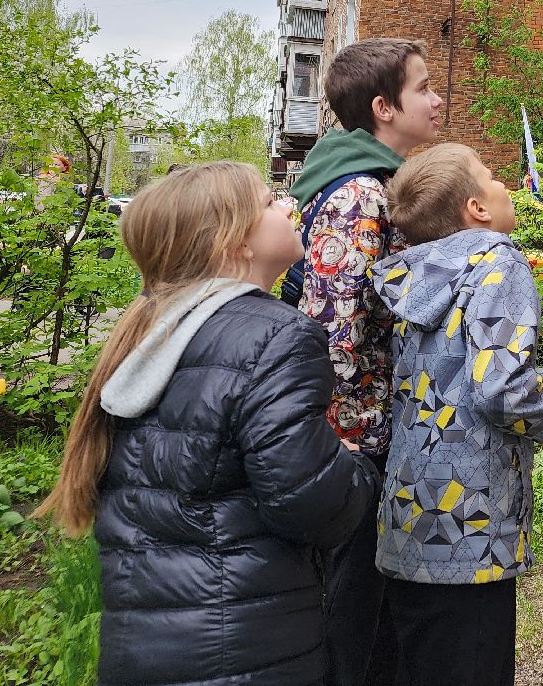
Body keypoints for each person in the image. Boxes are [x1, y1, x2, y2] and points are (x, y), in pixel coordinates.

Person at [36, 162, 379, 686]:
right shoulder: (277, 335)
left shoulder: (154, 330)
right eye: (269, 201)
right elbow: (309, 505)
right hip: (244, 644)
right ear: (235, 242)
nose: (289, 207)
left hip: (150, 644)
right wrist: (357, 469)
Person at [371, 143, 543, 686]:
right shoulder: (498, 261)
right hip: (471, 529)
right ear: (476, 208)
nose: (504, 183)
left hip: (409, 522)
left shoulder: (416, 277)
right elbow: (502, 392)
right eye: (492, 176)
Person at [287, 36, 442, 686]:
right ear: (383, 107)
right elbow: (333, 333)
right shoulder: (360, 196)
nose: (437, 99)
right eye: (423, 87)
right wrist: (359, 450)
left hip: (363, 443)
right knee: (348, 628)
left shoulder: (375, 185)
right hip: (354, 450)